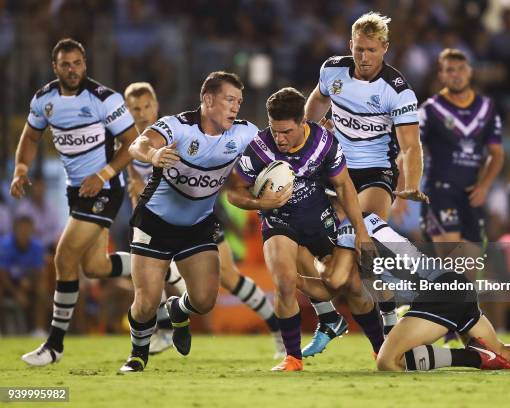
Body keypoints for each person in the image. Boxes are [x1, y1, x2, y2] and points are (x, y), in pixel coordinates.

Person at [302, 213, 510, 372]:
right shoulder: (370, 220)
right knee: (502, 353)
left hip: (437, 294)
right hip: (453, 283)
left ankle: (473, 358)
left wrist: (306, 272)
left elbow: (343, 281)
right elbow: (381, 288)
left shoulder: (346, 231)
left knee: (388, 361)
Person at [123, 82, 285, 358]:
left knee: (219, 286)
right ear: (208, 100)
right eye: (229, 100)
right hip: (157, 220)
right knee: (147, 298)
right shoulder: (169, 128)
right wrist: (152, 155)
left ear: (156, 105)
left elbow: (276, 152)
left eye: (239, 101)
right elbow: (136, 156)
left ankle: (274, 330)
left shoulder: (241, 132)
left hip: (199, 218)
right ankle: (141, 351)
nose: (236, 106)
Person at [11, 38, 139, 366]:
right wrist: (21, 169)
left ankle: (53, 345)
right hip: (76, 191)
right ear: (55, 67)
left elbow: (132, 141)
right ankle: (156, 265)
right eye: (65, 64)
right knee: (94, 267)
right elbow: (30, 136)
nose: (72, 70)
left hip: (105, 188)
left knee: (64, 258)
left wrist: (103, 173)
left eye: (77, 63)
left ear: (85, 64)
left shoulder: (104, 99)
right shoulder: (44, 100)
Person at [228, 87, 372, 371]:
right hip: (279, 221)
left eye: (286, 132)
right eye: (275, 130)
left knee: (350, 285)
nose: (279, 139)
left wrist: (361, 232)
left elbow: (344, 186)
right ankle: (293, 357)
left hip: (319, 220)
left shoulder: (324, 143)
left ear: (303, 123)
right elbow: (234, 192)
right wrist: (259, 201)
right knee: (283, 281)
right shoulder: (259, 147)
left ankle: (381, 349)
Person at [304, 12, 427, 341]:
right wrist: (310, 134)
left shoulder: (398, 91)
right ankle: (353, 314)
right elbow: (318, 99)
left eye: (371, 50)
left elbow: (411, 147)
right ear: (350, 45)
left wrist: (411, 184)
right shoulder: (333, 70)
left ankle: (399, 302)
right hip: (336, 167)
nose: (363, 57)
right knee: (330, 253)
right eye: (358, 49)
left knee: (365, 228)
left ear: (385, 48)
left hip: (377, 170)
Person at [419, 48, 504, 244]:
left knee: (470, 268)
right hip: (440, 191)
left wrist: (484, 185)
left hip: (471, 193)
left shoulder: (487, 108)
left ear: (470, 72)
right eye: (450, 70)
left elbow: (497, 154)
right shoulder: (430, 110)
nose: (456, 75)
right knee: (452, 257)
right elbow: (410, 147)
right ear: (441, 75)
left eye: (461, 69)